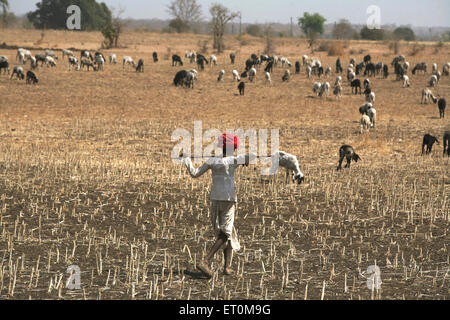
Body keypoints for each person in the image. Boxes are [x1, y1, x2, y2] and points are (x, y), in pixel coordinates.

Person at [181, 134, 255, 278]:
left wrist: (186, 159)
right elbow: (250, 155)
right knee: (225, 233)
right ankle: (205, 261)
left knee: (227, 232)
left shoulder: (212, 160)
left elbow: (194, 173)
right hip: (228, 199)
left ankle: (227, 267)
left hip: (215, 198)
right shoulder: (233, 160)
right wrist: (246, 160)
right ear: (232, 147)